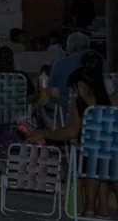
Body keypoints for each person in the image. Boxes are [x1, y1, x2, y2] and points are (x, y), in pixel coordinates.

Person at [28, 67, 118, 217]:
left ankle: (89, 206)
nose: (74, 94)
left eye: (73, 90)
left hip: (92, 162)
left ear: (79, 86)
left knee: (90, 157)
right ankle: (102, 208)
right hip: (115, 160)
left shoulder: (81, 102)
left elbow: (70, 132)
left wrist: (45, 133)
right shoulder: (115, 101)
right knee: (107, 158)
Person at [48, 32, 90, 108]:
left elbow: (50, 95)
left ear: (70, 47)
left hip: (65, 114)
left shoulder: (58, 65)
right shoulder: (98, 62)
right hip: (93, 114)